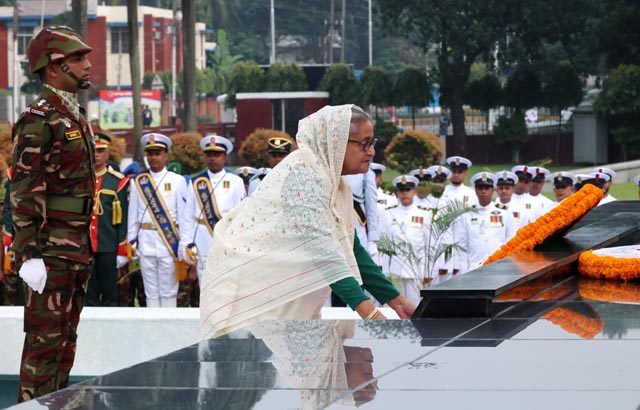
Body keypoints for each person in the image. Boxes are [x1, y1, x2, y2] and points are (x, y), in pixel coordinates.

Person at [200, 105, 415, 339]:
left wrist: (397, 302)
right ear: (336, 141)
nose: (372, 151)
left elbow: (350, 249)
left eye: (372, 142)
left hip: (285, 300)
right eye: (364, 143)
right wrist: (371, 314)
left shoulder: (336, 184)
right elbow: (323, 253)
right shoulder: (303, 174)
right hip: (254, 300)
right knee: (259, 371)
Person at [11, 25, 95, 402]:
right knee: (43, 349)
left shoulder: (72, 114)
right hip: (50, 252)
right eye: (77, 58)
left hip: (75, 249)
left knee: (65, 345)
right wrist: (29, 254)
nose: (87, 64)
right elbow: (25, 190)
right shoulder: (39, 117)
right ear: (53, 67)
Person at [127, 133, 187, 308]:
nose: (153, 157)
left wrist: (183, 244)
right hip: (146, 241)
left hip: (169, 243)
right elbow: (133, 215)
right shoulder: (138, 181)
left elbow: (183, 217)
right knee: (150, 291)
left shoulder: (178, 181)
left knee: (169, 291)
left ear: (166, 155)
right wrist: (132, 240)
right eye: (150, 153)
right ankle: (152, 331)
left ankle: (169, 329)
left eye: (157, 153)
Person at [179, 135, 245, 284]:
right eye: (209, 155)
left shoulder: (236, 182)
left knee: (224, 284)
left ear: (225, 158)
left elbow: (239, 218)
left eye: (217, 155)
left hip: (224, 239)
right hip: (202, 239)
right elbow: (188, 217)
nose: (213, 159)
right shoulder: (196, 182)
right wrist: (186, 244)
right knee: (205, 285)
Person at [86, 133, 130, 307]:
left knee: (110, 293)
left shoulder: (117, 182)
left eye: (100, 150)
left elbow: (123, 218)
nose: (96, 154)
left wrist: (121, 247)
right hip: (86, 244)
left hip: (108, 243)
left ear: (108, 154)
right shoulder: (80, 180)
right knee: (89, 294)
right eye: (93, 150)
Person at [379, 175, 432, 304]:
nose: (404, 194)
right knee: (396, 307)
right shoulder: (388, 213)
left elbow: (429, 245)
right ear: (397, 193)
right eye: (401, 191)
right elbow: (383, 244)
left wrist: (427, 272)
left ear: (414, 191)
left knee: (415, 305)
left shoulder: (424, 213)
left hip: (416, 270)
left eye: (407, 190)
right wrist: (384, 270)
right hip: (394, 270)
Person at [458, 172, 517, 273]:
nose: (484, 192)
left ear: (493, 190)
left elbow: (511, 240)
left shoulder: (505, 213)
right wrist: (463, 270)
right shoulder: (467, 214)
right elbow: (462, 244)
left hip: (498, 265)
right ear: (476, 191)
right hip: (474, 266)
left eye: (487, 188)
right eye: (480, 188)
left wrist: (508, 266)